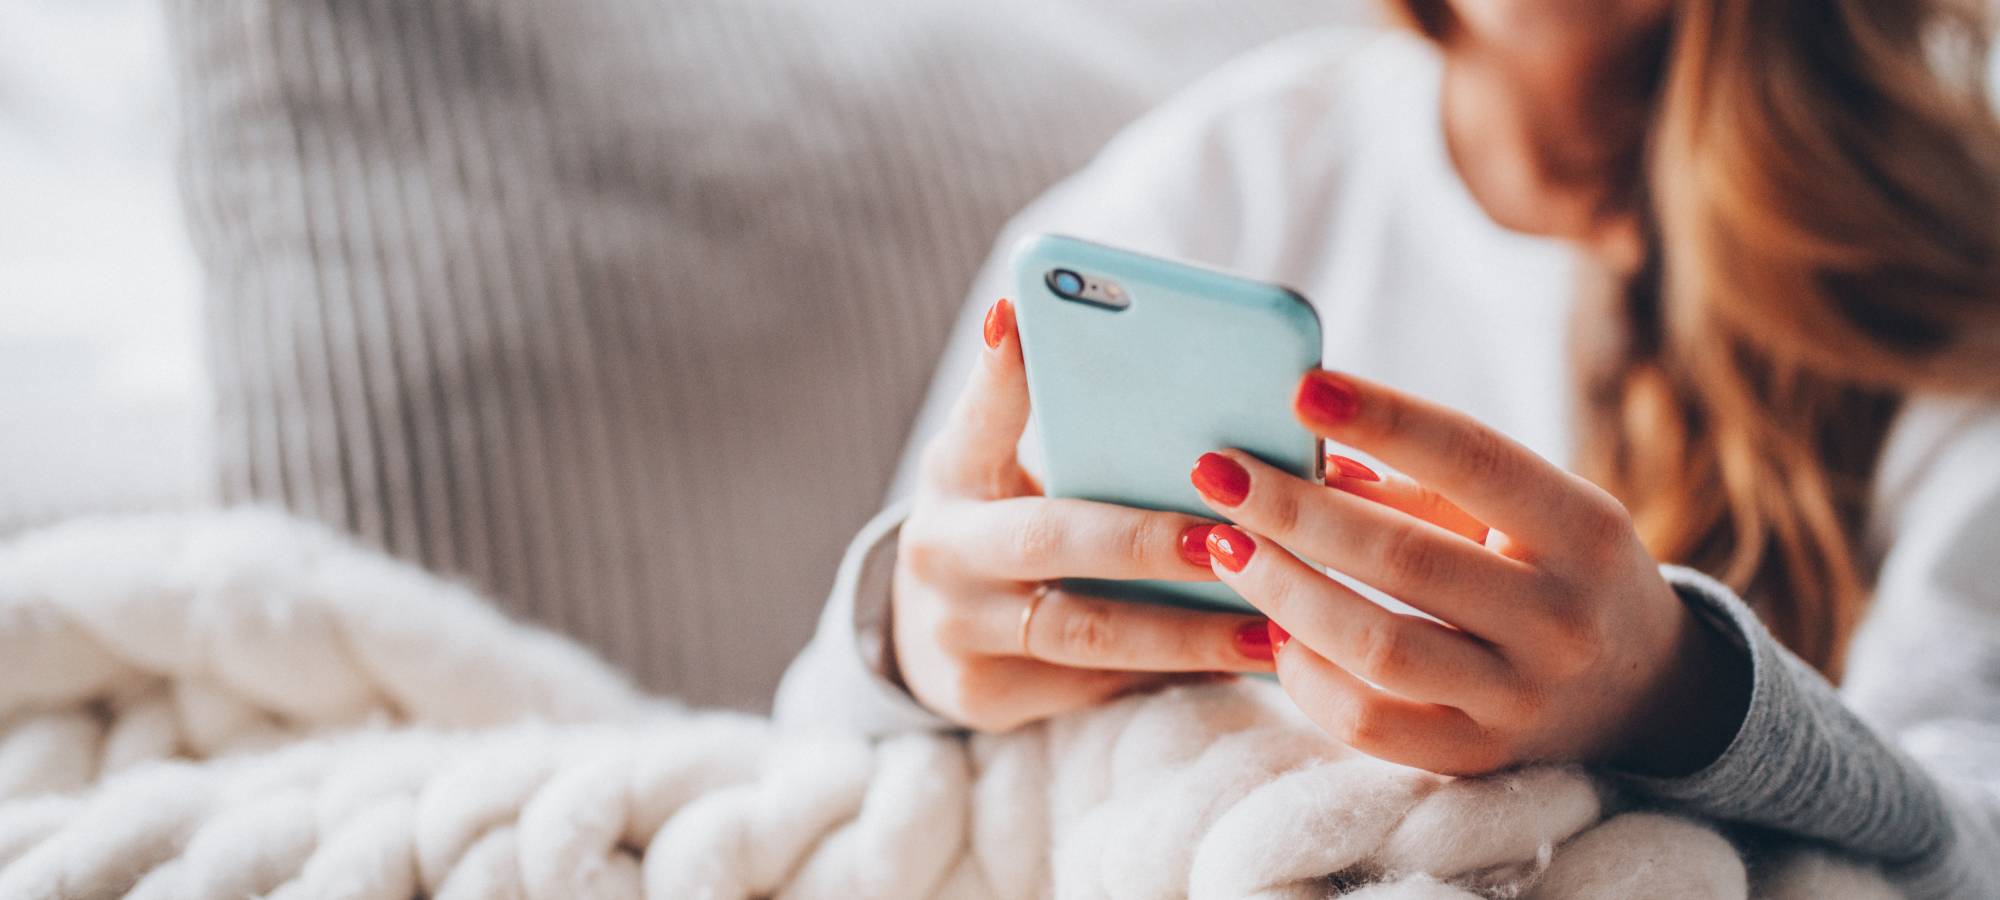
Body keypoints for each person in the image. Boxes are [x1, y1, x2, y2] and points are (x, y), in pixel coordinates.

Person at [775, 0, 2000, 894]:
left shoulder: (1946, 266)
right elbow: (805, 756)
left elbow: (1972, 830)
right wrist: (906, 647)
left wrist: (1681, 698)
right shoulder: (1211, 185)